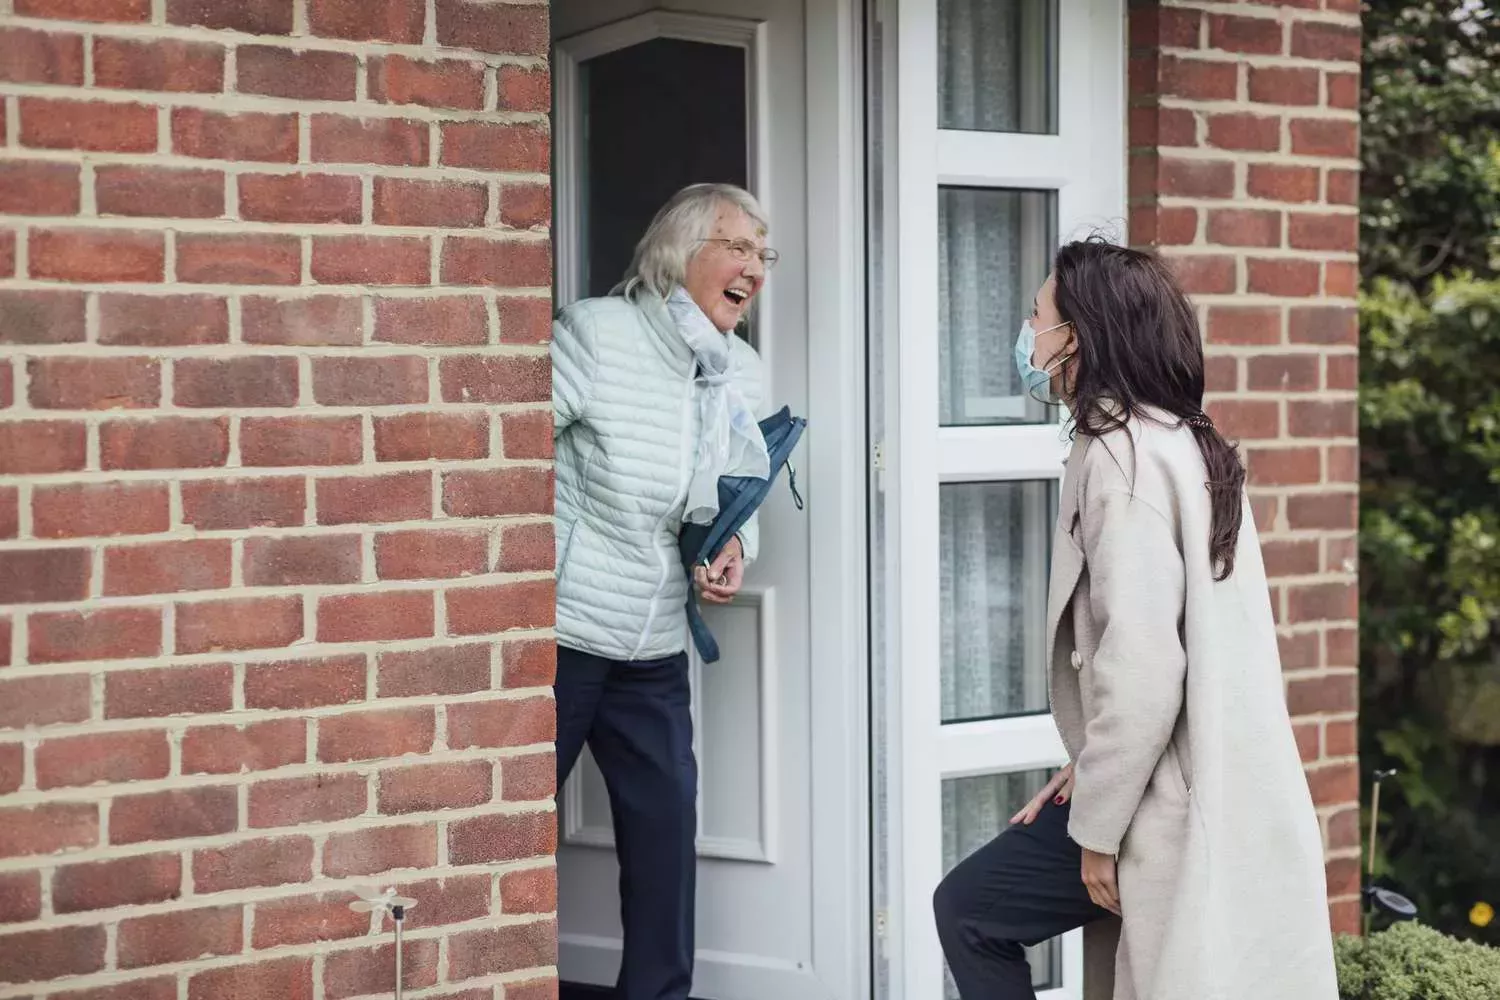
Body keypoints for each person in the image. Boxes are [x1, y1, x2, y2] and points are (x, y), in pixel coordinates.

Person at [932, 237, 1338, 1000]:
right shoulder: (1181, 437)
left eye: (1035, 315)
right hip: (1198, 777)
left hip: (1168, 795)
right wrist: (1086, 771)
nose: (1026, 333)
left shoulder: (1120, 461)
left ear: (1076, 337)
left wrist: (1095, 828)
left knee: (969, 911)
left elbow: (1145, 669)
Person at [550, 183, 777, 1000]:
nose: (754, 266)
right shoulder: (597, 334)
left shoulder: (736, 368)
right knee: (506, 823)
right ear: (680, 253)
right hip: (566, 634)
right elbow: (504, 453)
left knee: (664, 841)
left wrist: (734, 547)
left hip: (651, 644)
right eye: (738, 247)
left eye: (764, 253)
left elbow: (744, 483)